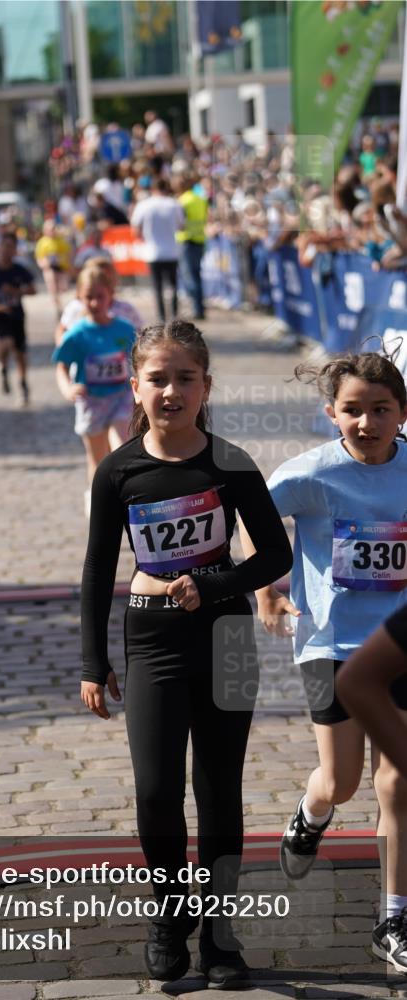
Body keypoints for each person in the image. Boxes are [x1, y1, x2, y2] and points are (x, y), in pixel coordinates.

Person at [80, 319, 292, 987]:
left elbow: (275, 554)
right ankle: (169, 919)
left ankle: (220, 938)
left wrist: (214, 583)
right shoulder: (118, 470)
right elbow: (96, 570)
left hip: (225, 636)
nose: (170, 391)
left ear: (205, 386)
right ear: (135, 387)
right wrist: (91, 661)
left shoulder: (230, 463)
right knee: (155, 790)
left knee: (219, 791)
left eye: (185, 378)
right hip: (152, 639)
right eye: (157, 379)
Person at [241, 352, 407, 973]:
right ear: (331, 413)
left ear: (402, 413)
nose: (367, 422)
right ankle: (311, 815)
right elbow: (256, 519)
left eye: (381, 409)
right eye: (353, 410)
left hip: (399, 643)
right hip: (331, 644)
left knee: (399, 779)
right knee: (341, 781)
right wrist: (266, 591)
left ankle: (394, 917)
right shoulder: (311, 473)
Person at [52, 266, 135, 516]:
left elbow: (140, 360)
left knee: (121, 448)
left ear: (111, 295)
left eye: (100, 296)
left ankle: (125, 500)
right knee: (98, 461)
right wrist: (67, 388)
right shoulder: (77, 334)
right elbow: (61, 366)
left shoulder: (124, 329)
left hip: (121, 396)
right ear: (79, 297)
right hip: (91, 401)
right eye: (89, 297)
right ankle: (96, 498)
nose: (95, 303)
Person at [337, 607, 407, 780]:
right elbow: (355, 681)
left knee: (395, 779)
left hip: (393, 613)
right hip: (333, 639)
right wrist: (269, 594)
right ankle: (312, 800)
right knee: (338, 782)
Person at [0, 232, 35, 405]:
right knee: (5, 342)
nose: (7, 250)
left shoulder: (19, 269)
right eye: (5, 246)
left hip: (16, 314)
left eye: (11, 247)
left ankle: (23, 384)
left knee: (20, 353)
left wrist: (16, 291)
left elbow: (32, 289)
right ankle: (0, 368)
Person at [131, 178, 184, 323]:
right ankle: (174, 314)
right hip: (172, 251)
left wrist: (146, 236)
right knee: (173, 285)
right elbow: (181, 226)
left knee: (157, 286)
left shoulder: (144, 205)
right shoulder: (174, 204)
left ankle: (161, 316)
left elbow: (135, 229)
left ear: (152, 189)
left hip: (153, 252)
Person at [55, 257, 142, 345]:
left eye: (106, 278)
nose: (95, 304)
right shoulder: (76, 310)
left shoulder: (126, 311)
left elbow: (138, 335)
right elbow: (62, 330)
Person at [176, 172, 208, 321]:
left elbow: (179, 223)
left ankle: (196, 309)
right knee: (197, 276)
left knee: (189, 277)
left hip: (187, 240)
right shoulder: (200, 199)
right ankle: (199, 308)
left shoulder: (182, 201)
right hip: (200, 239)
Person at [34, 219, 72, 314]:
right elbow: (39, 257)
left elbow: (68, 253)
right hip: (49, 268)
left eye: (53, 229)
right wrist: (44, 264)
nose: (52, 231)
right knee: (52, 285)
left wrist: (66, 263)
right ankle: (57, 307)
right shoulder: (42, 242)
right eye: (50, 229)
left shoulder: (61, 241)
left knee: (64, 287)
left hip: (61, 268)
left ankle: (63, 303)